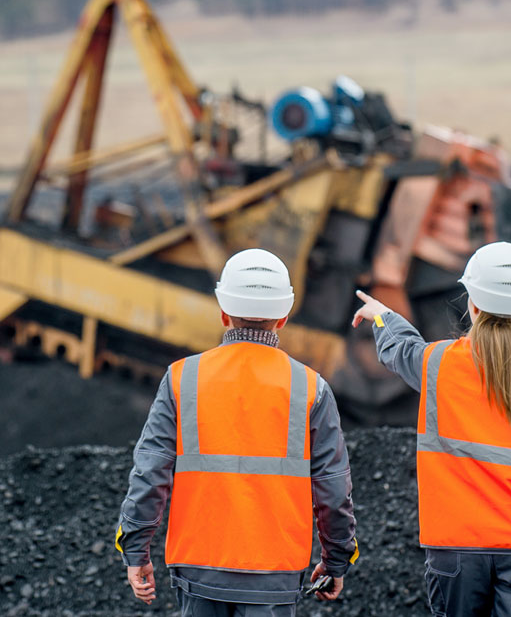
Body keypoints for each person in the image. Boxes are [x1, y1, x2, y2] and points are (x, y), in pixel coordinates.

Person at [351, 241, 511, 616]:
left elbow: (401, 349)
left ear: (472, 304)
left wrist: (382, 315)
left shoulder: (437, 364)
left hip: (457, 548)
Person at [116, 248, 358, 616]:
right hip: (274, 574)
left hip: (199, 568)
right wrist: (336, 559)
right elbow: (334, 489)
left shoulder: (184, 378)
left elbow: (150, 472)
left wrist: (136, 550)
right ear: (284, 317)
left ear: (223, 312)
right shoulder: (310, 387)